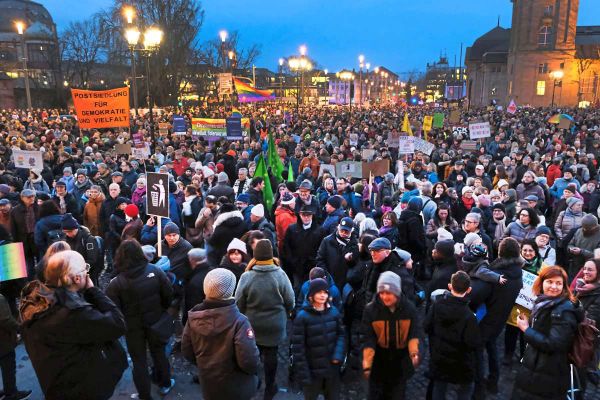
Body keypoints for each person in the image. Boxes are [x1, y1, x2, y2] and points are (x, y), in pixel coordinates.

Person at [19, 251, 127, 400]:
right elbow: (118, 323)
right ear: (77, 278)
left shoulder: (36, 299)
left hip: (55, 385)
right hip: (81, 390)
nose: (87, 273)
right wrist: (92, 289)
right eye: (85, 269)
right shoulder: (72, 313)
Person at [105, 239, 175, 399]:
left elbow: (113, 310)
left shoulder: (116, 283)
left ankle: (144, 395)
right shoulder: (155, 271)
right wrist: (161, 310)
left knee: (139, 361)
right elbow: (168, 294)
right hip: (156, 321)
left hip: (132, 327)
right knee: (159, 354)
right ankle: (165, 384)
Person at [183, 267, 260, 400]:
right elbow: (249, 361)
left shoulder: (193, 318)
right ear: (231, 290)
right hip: (237, 387)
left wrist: (205, 366)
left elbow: (187, 351)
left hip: (209, 386)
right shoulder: (239, 322)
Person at [512, 266, 584, 400]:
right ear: (542, 282)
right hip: (537, 366)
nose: (554, 287)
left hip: (547, 370)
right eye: (550, 281)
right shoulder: (545, 302)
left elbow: (554, 344)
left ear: (564, 286)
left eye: (558, 283)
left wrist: (526, 329)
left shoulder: (563, 310)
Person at [235, 239, 294, 400]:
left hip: (252, 324)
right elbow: (290, 300)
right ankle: (270, 387)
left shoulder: (247, 276)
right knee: (272, 355)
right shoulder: (280, 274)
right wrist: (286, 314)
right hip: (275, 324)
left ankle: (254, 382)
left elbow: (239, 301)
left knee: (254, 353)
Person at [361, 271, 421, 399]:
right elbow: (368, 338)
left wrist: (414, 353)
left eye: (389, 293)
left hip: (400, 365)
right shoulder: (371, 310)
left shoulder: (409, 309)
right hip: (378, 364)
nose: (384, 297)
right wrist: (367, 361)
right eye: (381, 293)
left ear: (397, 293)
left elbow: (414, 333)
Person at [425, 271, 481, 400]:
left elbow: (426, 326)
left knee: (439, 387)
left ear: (450, 286)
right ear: (469, 290)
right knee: (465, 388)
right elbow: (472, 343)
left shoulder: (436, 306)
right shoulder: (469, 316)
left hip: (439, 356)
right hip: (460, 361)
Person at [291, 278, 346, 400]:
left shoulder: (334, 312)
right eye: (319, 292)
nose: (322, 295)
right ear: (311, 295)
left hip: (331, 369)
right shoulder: (302, 317)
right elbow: (298, 349)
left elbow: (341, 335)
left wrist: (338, 355)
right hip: (312, 372)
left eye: (325, 292)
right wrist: (304, 373)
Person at [282, 205, 326, 288]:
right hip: (296, 267)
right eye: (303, 215)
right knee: (297, 288)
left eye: (308, 215)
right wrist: (292, 261)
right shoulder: (292, 229)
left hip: (313, 268)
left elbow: (322, 249)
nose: (306, 218)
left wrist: (315, 261)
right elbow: (286, 248)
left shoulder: (320, 231)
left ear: (312, 215)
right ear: (299, 215)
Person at [0, 291, 32, 400]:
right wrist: (21, 328)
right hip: (3, 340)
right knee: (8, 366)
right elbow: (5, 320)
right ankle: (11, 393)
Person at [316, 217, 359, 290]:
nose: (343, 233)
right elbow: (320, 260)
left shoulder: (355, 245)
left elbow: (356, 264)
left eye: (346, 231)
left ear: (352, 230)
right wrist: (326, 276)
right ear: (338, 227)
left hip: (346, 283)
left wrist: (350, 260)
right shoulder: (327, 241)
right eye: (342, 230)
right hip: (330, 281)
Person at [61, 213, 105, 285]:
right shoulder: (66, 240)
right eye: (65, 232)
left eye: (70, 231)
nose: (68, 234)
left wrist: (80, 270)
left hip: (88, 273)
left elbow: (92, 259)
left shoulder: (88, 240)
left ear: (76, 228)